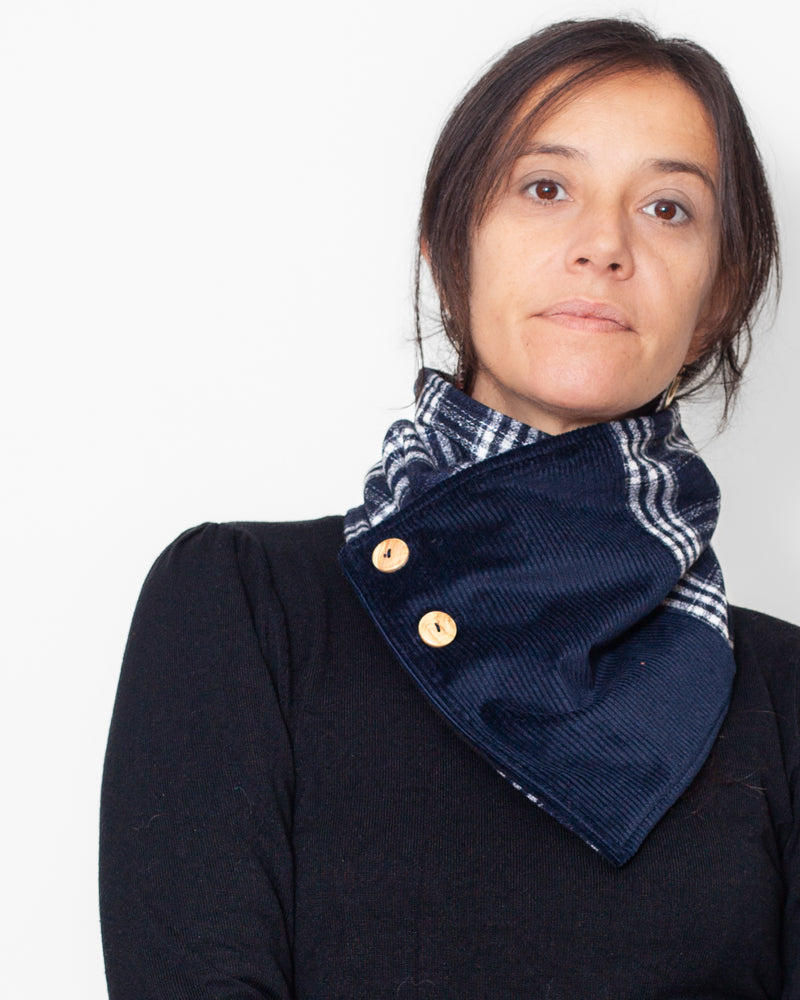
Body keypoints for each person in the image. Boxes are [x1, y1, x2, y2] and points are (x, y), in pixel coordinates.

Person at [99, 17, 800, 998]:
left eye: (667, 208)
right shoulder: (246, 605)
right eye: (545, 188)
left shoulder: (780, 692)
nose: (604, 245)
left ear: (717, 298)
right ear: (446, 246)